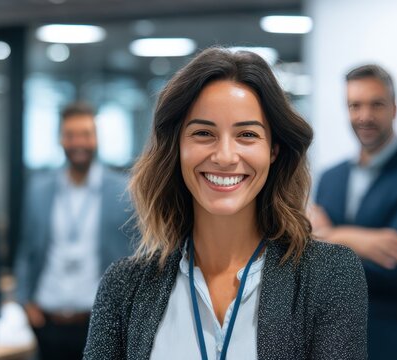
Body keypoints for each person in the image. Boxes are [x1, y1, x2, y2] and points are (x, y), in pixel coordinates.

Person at [84, 47, 368, 359]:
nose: (224, 157)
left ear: (273, 150)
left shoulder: (328, 275)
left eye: (247, 134)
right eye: (204, 133)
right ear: (176, 146)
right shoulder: (124, 287)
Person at [311, 64, 397, 360]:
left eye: (376, 104)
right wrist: (361, 242)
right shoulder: (330, 178)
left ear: (394, 109)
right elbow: (311, 265)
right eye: (354, 105)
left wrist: (328, 235)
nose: (365, 116)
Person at [14, 102, 135, 360]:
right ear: (60, 139)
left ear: (96, 138)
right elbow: (27, 248)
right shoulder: (39, 189)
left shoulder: (123, 190)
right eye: (71, 135)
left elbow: (135, 252)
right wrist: (25, 300)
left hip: (99, 323)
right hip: (47, 322)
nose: (78, 142)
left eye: (85, 134)